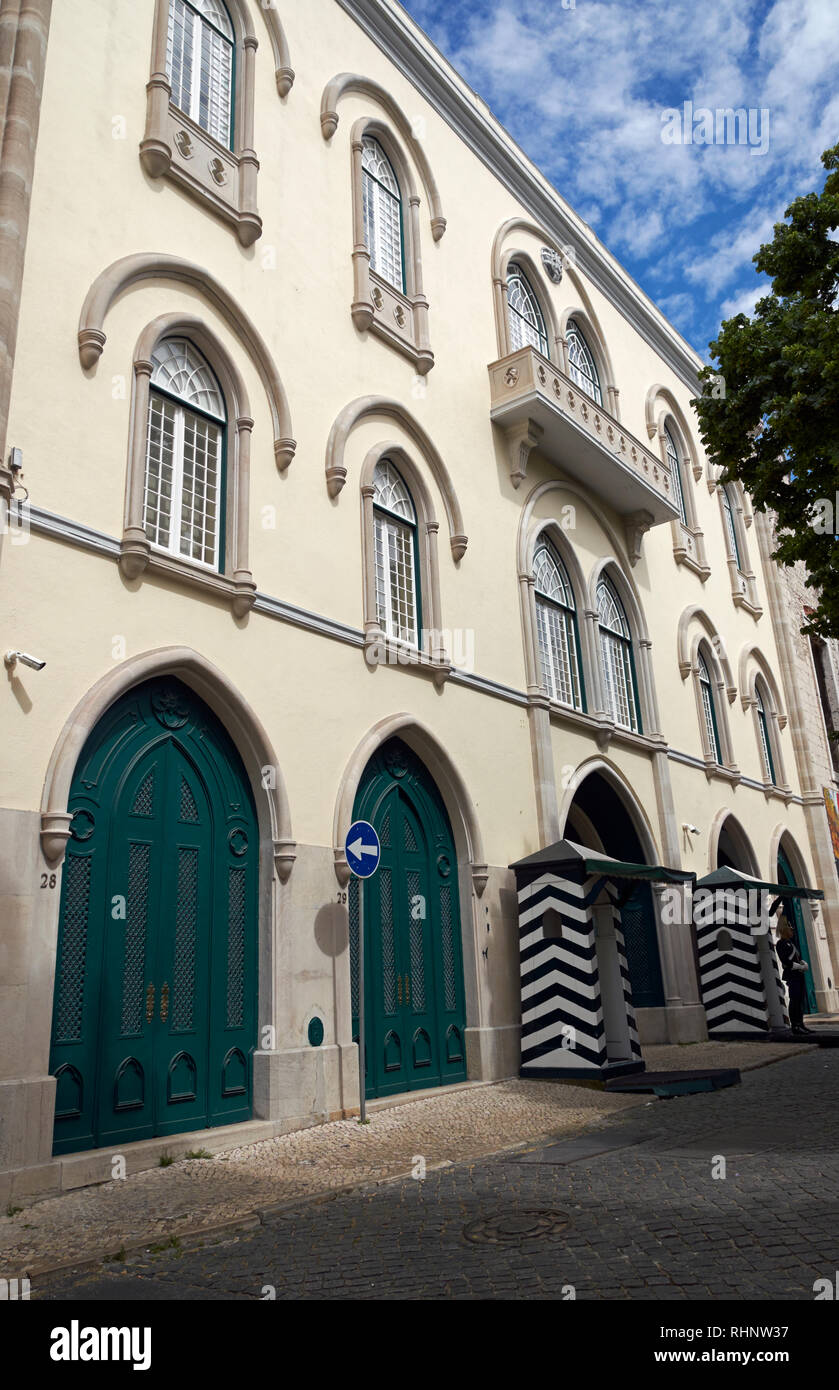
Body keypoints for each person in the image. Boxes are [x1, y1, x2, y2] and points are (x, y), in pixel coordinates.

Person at [775, 916, 811, 1034]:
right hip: (791, 974)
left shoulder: (791, 943)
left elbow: (796, 958)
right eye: (790, 929)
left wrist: (802, 963)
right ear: (785, 930)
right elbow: (786, 962)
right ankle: (795, 1025)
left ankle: (801, 1023)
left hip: (798, 975)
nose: (792, 931)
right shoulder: (781, 943)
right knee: (794, 1000)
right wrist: (800, 966)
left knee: (800, 1000)